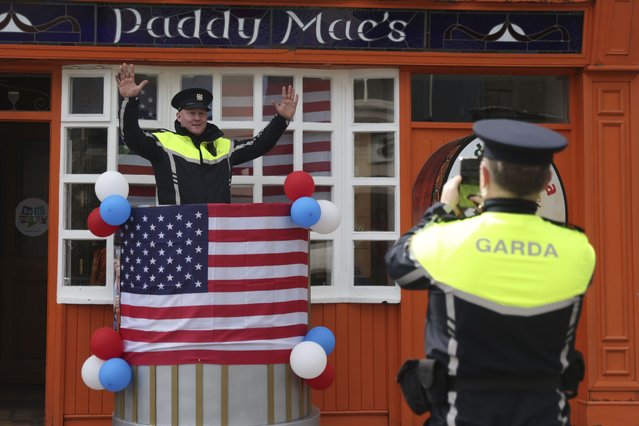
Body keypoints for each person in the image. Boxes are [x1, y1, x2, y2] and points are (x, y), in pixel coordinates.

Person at [386, 119, 596, 425]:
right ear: (546, 179)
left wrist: (441, 210)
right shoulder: (579, 250)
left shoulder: (447, 240)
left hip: (465, 416)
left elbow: (398, 266)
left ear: (484, 176)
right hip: (546, 415)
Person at [116, 63, 298, 205]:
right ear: (179, 116)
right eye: (191, 113)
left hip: (217, 233)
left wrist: (281, 120)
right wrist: (129, 100)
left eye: (201, 113)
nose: (197, 118)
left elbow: (260, 145)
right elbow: (131, 137)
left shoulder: (224, 146)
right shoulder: (163, 142)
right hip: (179, 234)